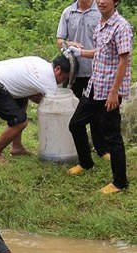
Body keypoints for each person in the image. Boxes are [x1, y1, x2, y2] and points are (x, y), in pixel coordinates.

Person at [66, 0, 133, 194]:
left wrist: (114, 92)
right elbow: (101, 53)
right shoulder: (101, 24)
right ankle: (86, 163)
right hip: (95, 85)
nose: (102, 1)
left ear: (116, 2)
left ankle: (120, 183)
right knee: (75, 124)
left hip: (110, 91)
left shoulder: (121, 26)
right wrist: (79, 52)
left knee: (112, 136)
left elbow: (124, 61)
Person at [0, 55, 70, 163]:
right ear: (58, 69)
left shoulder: (41, 63)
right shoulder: (49, 83)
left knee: (22, 104)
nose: (62, 82)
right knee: (20, 121)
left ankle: (17, 147)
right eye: (63, 77)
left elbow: (32, 93)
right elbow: (53, 109)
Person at [57, 0, 104, 155]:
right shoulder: (68, 13)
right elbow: (60, 40)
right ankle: (78, 150)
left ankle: (101, 148)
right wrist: (69, 43)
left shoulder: (101, 11)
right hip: (73, 73)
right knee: (76, 112)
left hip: (96, 71)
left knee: (97, 113)